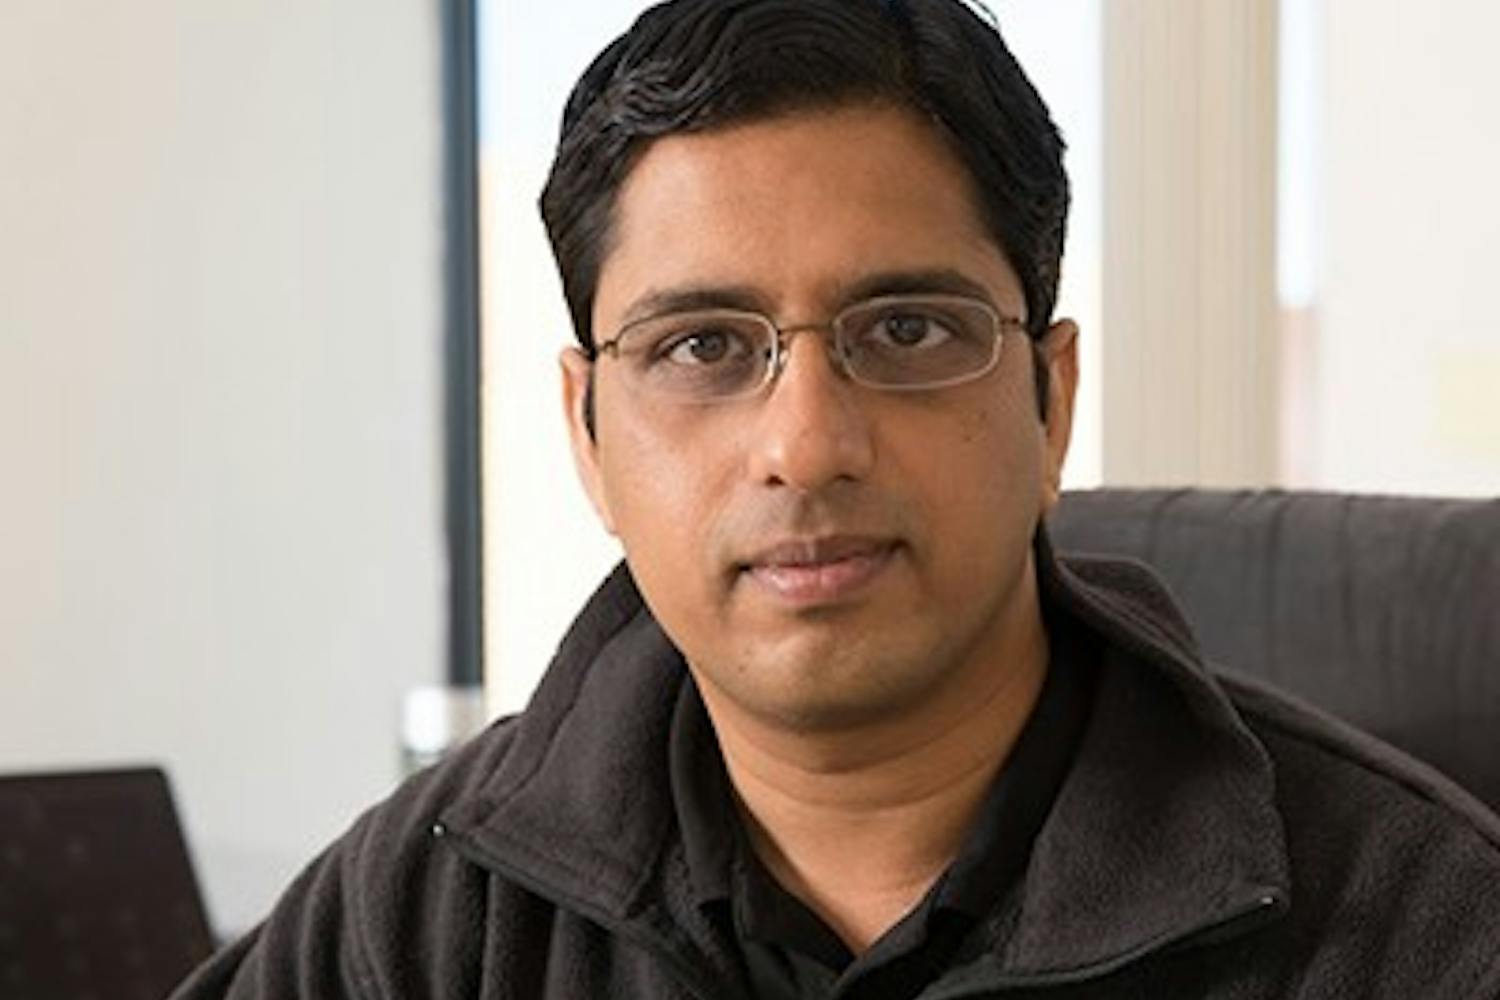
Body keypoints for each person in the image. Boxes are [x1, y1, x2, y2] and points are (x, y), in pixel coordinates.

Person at [172, 0, 1500, 997]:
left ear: (1053, 401)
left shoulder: (1409, 926)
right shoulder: (434, 909)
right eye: (703, 346)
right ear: (586, 434)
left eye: (909, 331)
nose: (805, 446)